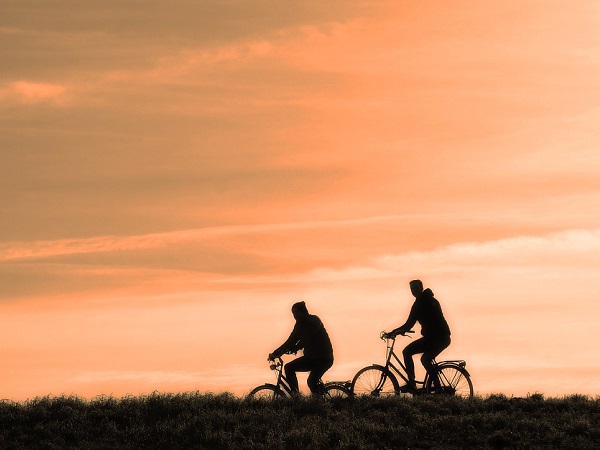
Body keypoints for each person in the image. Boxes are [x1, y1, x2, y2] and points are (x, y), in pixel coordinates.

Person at [384, 279, 451, 393]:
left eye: (415, 288)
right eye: (412, 289)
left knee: (422, 357)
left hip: (439, 338)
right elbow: (409, 323)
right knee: (414, 354)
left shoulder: (422, 303)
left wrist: (395, 332)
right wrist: (397, 331)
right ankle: (417, 385)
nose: (414, 291)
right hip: (434, 338)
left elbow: (409, 324)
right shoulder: (427, 301)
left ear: (421, 288)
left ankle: (435, 388)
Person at [269, 301, 334, 395]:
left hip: (324, 359)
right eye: (293, 313)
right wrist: (276, 353)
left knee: (311, 381)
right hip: (311, 358)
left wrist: (295, 348)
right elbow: (291, 340)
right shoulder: (299, 325)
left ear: (303, 312)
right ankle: (296, 396)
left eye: (296, 313)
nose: (294, 316)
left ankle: (319, 404)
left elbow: (308, 338)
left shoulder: (314, 321)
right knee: (289, 367)